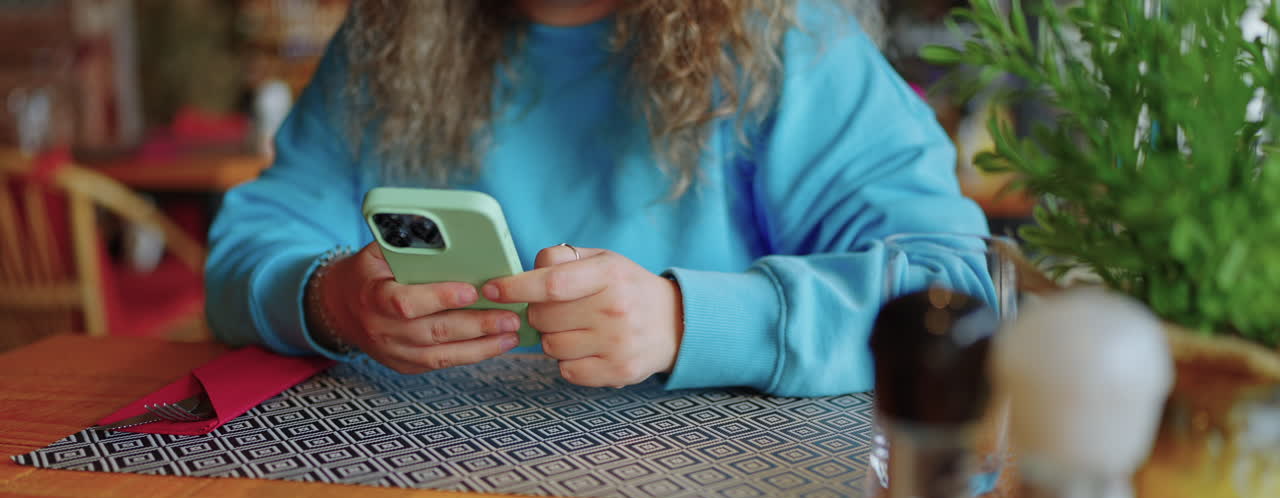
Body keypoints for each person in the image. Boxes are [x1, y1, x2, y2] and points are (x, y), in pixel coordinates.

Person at [206, 0, 992, 398]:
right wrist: (330, 300)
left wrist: (689, 323)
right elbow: (249, 250)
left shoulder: (787, 36)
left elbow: (953, 292)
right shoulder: (390, 34)